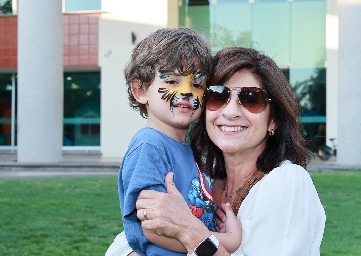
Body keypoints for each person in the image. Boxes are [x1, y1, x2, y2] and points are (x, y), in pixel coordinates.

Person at [134, 46, 326, 255]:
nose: (231, 112)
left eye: (251, 99)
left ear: (274, 120)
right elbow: (126, 242)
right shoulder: (199, 179)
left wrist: (190, 231)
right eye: (217, 96)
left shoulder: (287, 181)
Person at [106, 28, 241, 256]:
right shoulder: (149, 145)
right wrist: (228, 240)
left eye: (197, 85)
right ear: (140, 91)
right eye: (171, 81)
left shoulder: (189, 150)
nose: (186, 92)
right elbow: (154, 229)